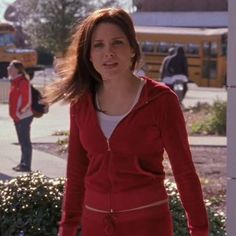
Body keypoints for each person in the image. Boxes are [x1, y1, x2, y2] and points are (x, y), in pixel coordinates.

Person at [45, 8, 208, 236]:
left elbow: (184, 172)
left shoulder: (161, 100)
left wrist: (199, 230)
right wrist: (67, 229)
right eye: (98, 45)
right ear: (89, 54)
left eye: (117, 43)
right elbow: (76, 173)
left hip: (148, 226)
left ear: (133, 49)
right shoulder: (81, 103)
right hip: (95, 226)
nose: (108, 52)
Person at [8, 60, 33, 172]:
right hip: (18, 117)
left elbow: (27, 100)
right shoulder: (14, 82)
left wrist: (20, 112)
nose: (8, 68)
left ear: (17, 69)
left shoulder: (22, 82)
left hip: (23, 117)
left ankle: (26, 165)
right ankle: (23, 163)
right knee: (22, 141)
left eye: (10, 66)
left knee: (25, 142)